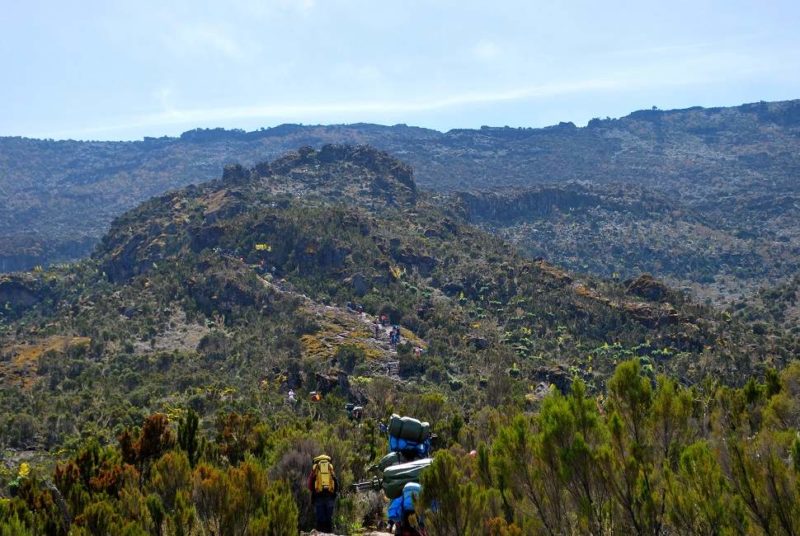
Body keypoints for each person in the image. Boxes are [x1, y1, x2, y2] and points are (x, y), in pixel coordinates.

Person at [308, 454, 339, 532]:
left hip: (318, 496)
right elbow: (335, 481)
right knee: (329, 518)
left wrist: (314, 493)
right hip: (330, 496)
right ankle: (330, 532)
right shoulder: (330, 467)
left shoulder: (315, 468)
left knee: (320, 519)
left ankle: (321, 533)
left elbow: (310, 485)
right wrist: (334, 493)